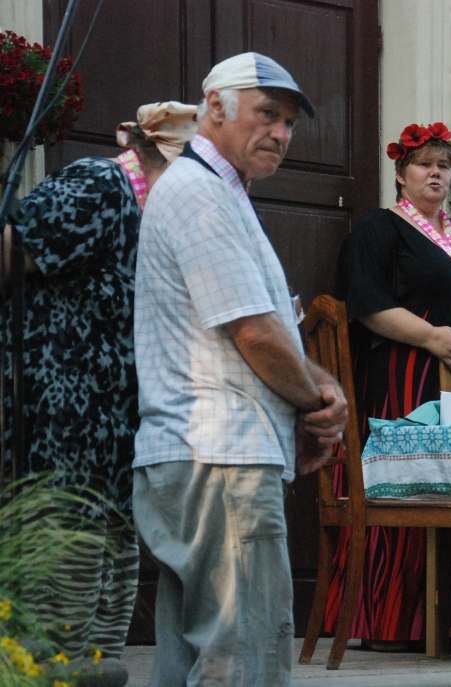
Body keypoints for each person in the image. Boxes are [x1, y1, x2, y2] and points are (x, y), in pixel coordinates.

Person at [131, 53, 348, 686]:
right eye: (267, 115)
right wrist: (317, 407)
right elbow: (253, 334)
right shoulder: (201, 192)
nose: (281, 133)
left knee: (193, 659)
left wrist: (321, 388)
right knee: (242, 662)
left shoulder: (219, 191)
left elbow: (261, 325)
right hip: (218, 454)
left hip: (200, 456)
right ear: (216, 108)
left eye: (289, 123)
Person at [0, 101, 198, 660]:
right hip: (46, 428)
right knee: (50, 620)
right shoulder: (98, 186)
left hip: (111, 439)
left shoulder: (165, 218)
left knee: (103, 616)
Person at [323, 121, 451, 648]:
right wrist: (430, 336)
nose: (437, 173)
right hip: (408, 374)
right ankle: (392, 621)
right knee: (414, 485)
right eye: (426, 164)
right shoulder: (379, 230)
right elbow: (368, 305)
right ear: (401, 174)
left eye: (444, 166)